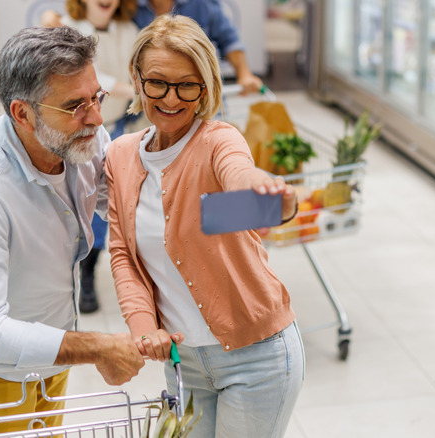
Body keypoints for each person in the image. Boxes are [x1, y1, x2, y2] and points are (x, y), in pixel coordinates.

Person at [0, 26, 145, 436]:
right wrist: (98, 347)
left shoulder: (81, 137)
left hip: (53, 341)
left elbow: (119, 204)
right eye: (74, 107)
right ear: (22, 114)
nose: (97, 118)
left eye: (96, 97)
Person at [106, 15, 303, 438]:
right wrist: (144, 329)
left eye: (188, 85)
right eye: (157, 82)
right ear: (136, 80)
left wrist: (264, 192)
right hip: (184, 364)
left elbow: (240, 178)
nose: (172, 99)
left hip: (258, 359)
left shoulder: (217, 141)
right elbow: (123, 255)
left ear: (206, 86)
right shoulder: (120, 157)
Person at [58, 0, 142, 313]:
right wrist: (129, 89)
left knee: (117, 200)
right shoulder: (68, 28)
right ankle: (86, 272)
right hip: (83, 132)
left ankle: (99, 268)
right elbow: (90, 79)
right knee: (89, 202)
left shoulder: (128, 29)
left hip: (121, 126)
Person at [42, 0, 264, 95]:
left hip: (199, 95)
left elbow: (229, 38)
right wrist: (54, 19)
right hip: (151, 102)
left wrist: (244, 74)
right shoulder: (132, 12)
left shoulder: (201, 3)